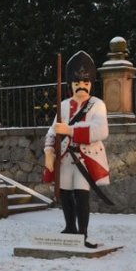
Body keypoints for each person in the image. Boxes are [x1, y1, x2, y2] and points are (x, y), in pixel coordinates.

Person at [43, 51, 110, 248]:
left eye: (86, 83)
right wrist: (48, 150)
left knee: (81, 195)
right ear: (70, 85)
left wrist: (71, 130)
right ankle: (70, 227)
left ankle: (83, 232)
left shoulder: (97, 105)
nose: (82, 86)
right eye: (77, 83)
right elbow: (53, 131)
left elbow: (101, 130)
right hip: (64, 156)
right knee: (65, 193)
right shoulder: (63, 106)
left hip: (84, 157)